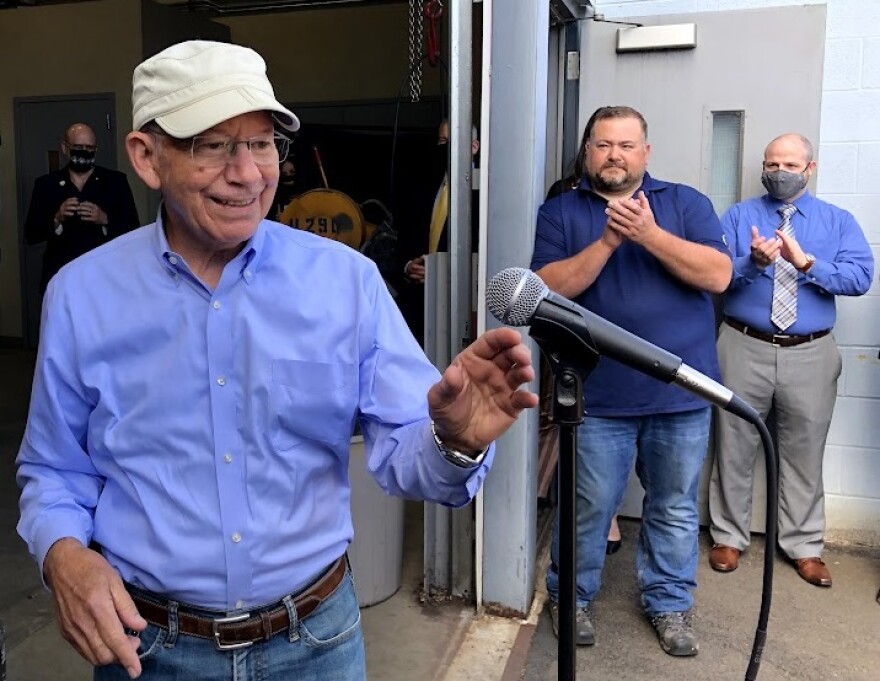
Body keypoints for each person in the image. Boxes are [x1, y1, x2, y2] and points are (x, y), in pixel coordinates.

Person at [16, 40, 537, 681]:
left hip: (318, 644)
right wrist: (63, 554)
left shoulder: (347, 282)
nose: (248, 173)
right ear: (146, 157)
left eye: (262, 144)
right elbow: (53, 468)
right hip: (149, 651)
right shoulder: (81, 296)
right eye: (214, 145)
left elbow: (410, 460)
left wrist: (452, 441)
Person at [530, 105, 732, 656]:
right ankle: (569, 599)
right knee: (589, 506)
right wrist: (608, 243)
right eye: (602, 145)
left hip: (681, 392)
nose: (613, 154)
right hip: (600, 394)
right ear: (587, 151)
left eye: (625, 145)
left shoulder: (684, 203)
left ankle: (669, 606)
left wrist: (647, 234)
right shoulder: (560, 211)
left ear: (646, 152)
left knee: (674, 506)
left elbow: (717, 274)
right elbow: (547, 290)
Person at [708, 133, 873, 588]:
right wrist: (753, 265)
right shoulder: (740, 216)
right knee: (733, 443)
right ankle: (728, 536)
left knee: (804, 451)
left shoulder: (838, 222)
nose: (778, 172)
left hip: (811, 352)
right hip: (744, 344)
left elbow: (860, 277)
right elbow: (715, 275)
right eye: (771, 163)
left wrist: (807, 265)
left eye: (789, 164)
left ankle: (804, 546)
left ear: (810, 169)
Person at [24, 123, 140, 293]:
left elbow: (133, 228)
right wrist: (56, 218)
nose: (84, 151)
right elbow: (31, 235)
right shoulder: (46, 185)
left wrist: (104, 219)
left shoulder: (115, 182)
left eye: (89, 147)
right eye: (78, 147)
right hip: (60, 278)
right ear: (65, 148)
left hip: (105, 278)